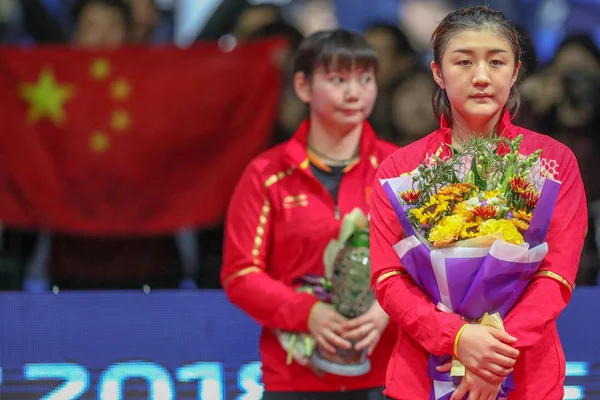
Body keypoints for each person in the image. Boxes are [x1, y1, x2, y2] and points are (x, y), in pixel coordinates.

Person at [369, 6, 587, 400]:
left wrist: (494, 357)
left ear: (515, 70)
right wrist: (457, 338)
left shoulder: (554, 163)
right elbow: (388, 279)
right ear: (438, 72)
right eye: (464, 61)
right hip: (421, 380)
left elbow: (556, 277)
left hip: (527, 379)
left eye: (496, 61)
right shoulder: (400, 170)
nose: (482, 77)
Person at [221, 29, 398, 399]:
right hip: (295, 379)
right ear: (303, 86)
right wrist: (309, 313)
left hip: (389, 372)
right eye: (338, 80)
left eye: (366, 79)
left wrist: (388, 308)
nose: (354, 93)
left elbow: (428, 261)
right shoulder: (265, 174)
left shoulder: (401, 169)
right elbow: (240, 273)